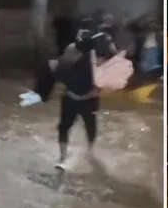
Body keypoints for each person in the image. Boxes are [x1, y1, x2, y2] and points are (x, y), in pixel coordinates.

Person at [20, 15, 122, 171]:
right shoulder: (71, 51)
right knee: (63, 127)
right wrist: (40, 93)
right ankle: (62, 158)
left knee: (90, 127)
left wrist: (98, 88)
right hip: (71, 97)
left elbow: (110, 74)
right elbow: (56, 71)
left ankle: (90, 152)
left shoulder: (98, 56)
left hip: (89, 99)